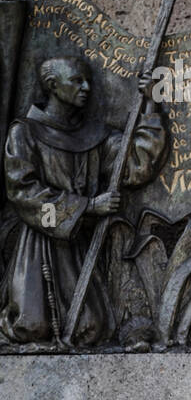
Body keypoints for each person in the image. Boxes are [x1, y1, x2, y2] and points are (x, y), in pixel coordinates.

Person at [1, 56, 166, 347]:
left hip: (77, 246)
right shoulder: (24, 132)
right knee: (32, 326)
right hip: (39, 245)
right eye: (77, 81)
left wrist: (151, 104)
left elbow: (136, 164)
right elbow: (23, 193)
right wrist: (88, 207)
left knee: (90, 328)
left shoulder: (94, 137)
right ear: (53, 86)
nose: (87, 87)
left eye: (87, 80)